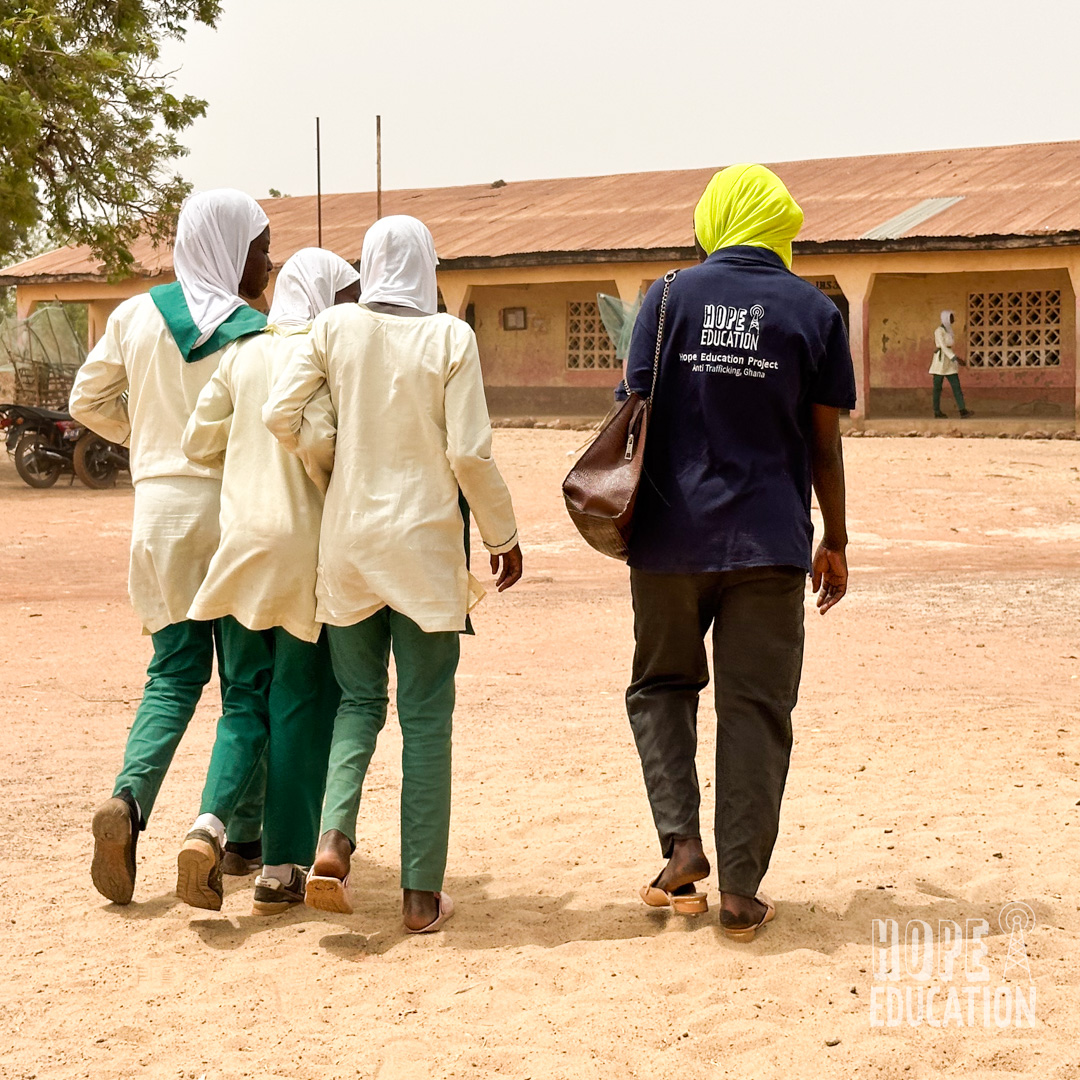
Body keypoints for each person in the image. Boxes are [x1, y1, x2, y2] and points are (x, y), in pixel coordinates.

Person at [264, 215, 522, 933]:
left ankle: (332, 842)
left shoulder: (334, 328)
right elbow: (469, 453)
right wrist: (503, 533)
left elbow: (279, 411)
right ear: (428, 267)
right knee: (426, 719)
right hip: (426, 550)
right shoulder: (451, 338)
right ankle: (417, 898)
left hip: (347, 546)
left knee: (356, 704)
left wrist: (329, 464)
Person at [622, 164, 853, 941]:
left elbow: (634, 410)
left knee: (661, 686)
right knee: (755, 709)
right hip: (771, 543)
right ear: (779, 224)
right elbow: (825, 445)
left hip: (666, 539)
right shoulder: (815, 311)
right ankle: (742, 892)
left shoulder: (666, 298)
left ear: (715, 218)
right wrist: (837, 540)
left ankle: (682, 845)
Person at [70, 189, 273, 905]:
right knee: (248, 689)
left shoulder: (132, 315)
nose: (268, 263)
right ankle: (211, 832)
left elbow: (85, 401)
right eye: (259, 248)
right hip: (232, 513)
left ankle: (127, 804)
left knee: (173, 674)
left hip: (156, 513)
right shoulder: (257, 332)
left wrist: (151, 446)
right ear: (229, 249)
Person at [175, 249, 361, 914]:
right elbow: (330, 444)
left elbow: (198, 442)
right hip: (302, 553)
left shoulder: (243, 353)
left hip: (241, 545)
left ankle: (209, 825)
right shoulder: (325, 353)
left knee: (242, 701)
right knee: (298, 708)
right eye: (349, 293)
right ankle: (280, 867)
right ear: (327, 295)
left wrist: (246, 459)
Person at [930, 310, 973, 418]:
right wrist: (955, 358)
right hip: (941, 361)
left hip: (949, 361)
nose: (953, 319)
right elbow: (943, 347)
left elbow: (948, 346)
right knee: (937, 387)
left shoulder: (949, 331)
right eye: (951, 317)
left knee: (956, 386)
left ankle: (962, 410)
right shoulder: (939, 331)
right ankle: (937, 411)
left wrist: (953, 358)